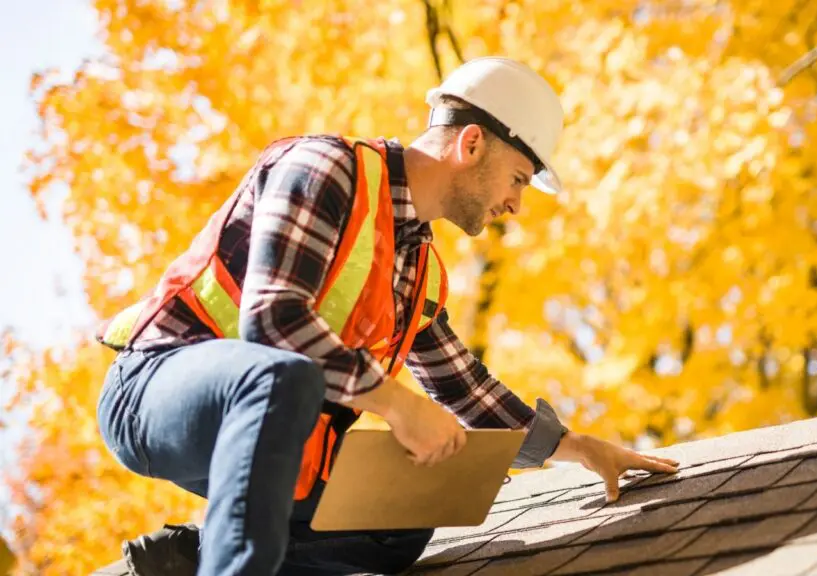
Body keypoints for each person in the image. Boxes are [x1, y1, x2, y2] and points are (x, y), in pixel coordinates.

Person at [94, 56, 679, 576]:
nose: (516, 205)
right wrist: (399, 406)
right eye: (518, 179)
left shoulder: (417, 269)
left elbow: (465, 391)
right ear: (471, 144)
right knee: (284, 374)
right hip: (154, 390)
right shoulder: (326, 168)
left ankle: (193, 558)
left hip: (274, 433)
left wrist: (578, 448)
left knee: (395, 524)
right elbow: (272, 323)